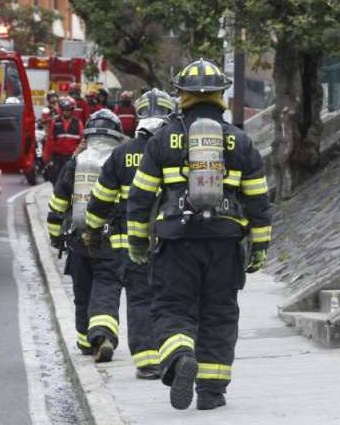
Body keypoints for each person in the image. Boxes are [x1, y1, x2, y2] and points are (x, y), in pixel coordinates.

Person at [126, 58, 271, 412]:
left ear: (182, 95)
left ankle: (179, 357)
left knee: (172, 307)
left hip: (176, 241)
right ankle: (211, 391)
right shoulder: (239, 140)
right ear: (221, 94)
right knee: (219, 313)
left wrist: (136, 241)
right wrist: (260, 247)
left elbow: (141, 196)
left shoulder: (162, 139)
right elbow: (258, 199)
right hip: (225, 241)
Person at [84, 89, 177, 379]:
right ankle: (177, 353)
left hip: (129, 244)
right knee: (174, 299)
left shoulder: (121, 154)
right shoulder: (177, 149)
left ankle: (148, 362)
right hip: (173, 241)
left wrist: (92, 228)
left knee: (139, 300)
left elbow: (99, 199)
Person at [46, 109, 125, 356]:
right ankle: (103, 335)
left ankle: (84, 340)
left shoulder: (76, 162)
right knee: (106, 287)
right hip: (110, 240)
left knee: (82, 291)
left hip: (78, 241)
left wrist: (56, 235)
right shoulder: (120, 162)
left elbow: (58, 203)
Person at [42, 97, 84, 183]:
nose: (66, 112)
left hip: (71, 158)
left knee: (70, 181)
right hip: (57, 158)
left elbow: (82, 141)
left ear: (72, 110)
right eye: (64, 110)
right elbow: (50, 141)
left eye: (68, 110)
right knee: (55, 179)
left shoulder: (78, 123)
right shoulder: (55, 122)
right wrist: (46, 157)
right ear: (61, 110)